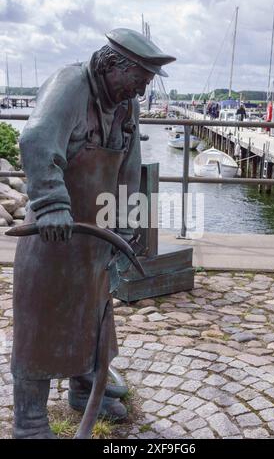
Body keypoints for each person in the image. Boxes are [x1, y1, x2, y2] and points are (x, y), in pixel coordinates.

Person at [12, 28, 175, 439]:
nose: (142, 88)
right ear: (113, 65)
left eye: (146, 82)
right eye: (139, 77)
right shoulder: (70, 85)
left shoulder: (126, 105)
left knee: (95, 314)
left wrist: (129, 221)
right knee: (42, 324)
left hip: (96, 236)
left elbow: (129, 167)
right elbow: (35, 138)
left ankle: (87, 390)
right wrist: (50, 204)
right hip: (54, 235)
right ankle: (29, 422)